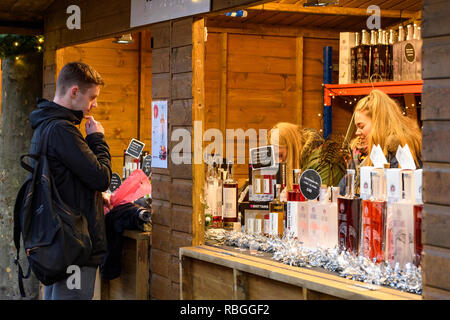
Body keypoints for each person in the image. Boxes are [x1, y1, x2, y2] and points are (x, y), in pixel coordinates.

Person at [29, 62, 111, 299]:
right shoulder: (63, 131)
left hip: (57, 243)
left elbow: (62, 182)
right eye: (92, 97)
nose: (95, 104)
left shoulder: (43, 126)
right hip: (76, 245)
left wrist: (94, 197)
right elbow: (101, 177)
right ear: (74, 91)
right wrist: (97, 139)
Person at [339, 89, 422, 195]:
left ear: (378, 123)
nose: (357, 132)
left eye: (361, 126)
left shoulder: (399, 152)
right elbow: (342, 189)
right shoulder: (360, 155)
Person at [268, 122, 346, 191]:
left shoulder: (323, 162)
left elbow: (319, 201)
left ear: (292, 147)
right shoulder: (303, 160)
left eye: (280, 155)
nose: (279, 161)